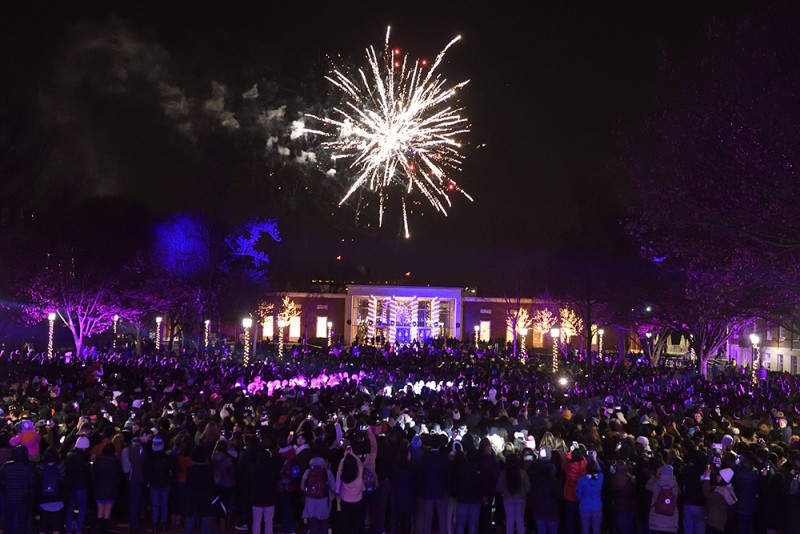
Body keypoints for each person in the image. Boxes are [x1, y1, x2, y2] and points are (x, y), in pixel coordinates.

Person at [0, 445, 39, 534]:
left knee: (8, 522)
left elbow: (1, 481)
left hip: (9, 498)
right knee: (23, 522)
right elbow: (34, 484)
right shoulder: (29, 468)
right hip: (24, 499)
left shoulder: (6, 467)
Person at [418, 433, 452, 534]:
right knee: (442, 518)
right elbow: (447, 476)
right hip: (441, 492)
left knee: (427, 518)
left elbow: (421, 476)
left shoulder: (425, 458)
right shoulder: (444, 458)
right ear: (440, 444)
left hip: (427, 491)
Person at [91, 443, 123, 534]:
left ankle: (99, 530)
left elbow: (93, 475)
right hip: (111, 489)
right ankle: (104, 531)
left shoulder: (98, 460)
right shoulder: (115, 461)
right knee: (107, 513)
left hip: (99, 488)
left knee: (100, 512)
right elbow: (118, 477)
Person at [496, 453, 530, 534]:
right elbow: (528, 488)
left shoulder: (504, 473)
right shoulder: (523, 472)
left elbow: (499, 487)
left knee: (509, 520)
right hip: (521, 498)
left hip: (508, 499)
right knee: (520, 520)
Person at [301, 456, 335, 534]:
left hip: (310, 501)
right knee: (324, 522)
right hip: (323, 501)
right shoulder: (327, 472)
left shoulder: (308, 472)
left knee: (313, 522)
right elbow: (333, 487)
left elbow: (302, 487)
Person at [186, 446, 216, 534]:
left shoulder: (190, 469)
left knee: (190, 519)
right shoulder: (209, 469)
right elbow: (212, 483)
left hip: (192, 496)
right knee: (206, 519)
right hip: (206, 496)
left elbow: (188, 482)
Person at [147, 437, 175, 533]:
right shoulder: (167, 458)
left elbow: (147, 472)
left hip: (154, 483)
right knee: (164, 504)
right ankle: (163, 523)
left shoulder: (150, 459)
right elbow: (171, 470)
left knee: (155, 505)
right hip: (166, 483)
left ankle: (154, 524)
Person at [250, 448, 282, 534]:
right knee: (268, 521)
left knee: (256, 521)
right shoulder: (273, 468)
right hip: (270, 497)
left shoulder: (254, 468)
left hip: (257, 497)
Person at [64, 436, 91, 534]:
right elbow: (85, 472)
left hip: (71, 486)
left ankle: (68, 530)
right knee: (81, 509)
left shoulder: (68, 455)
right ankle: (79, 530)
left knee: (70, 509)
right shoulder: (83, 457)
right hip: (81, 486)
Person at [337, 446, 365, 534]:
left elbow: (339, 470)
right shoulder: (359, 473)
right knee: (358, 524)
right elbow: (360, 464)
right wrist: (352, 454)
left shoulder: (342, 474)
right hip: (358, 501)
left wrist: (345, 457)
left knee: (345, 524)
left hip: (345, 500)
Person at [38, 446, 66, 534]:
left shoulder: (41, 466)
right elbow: (64, 480)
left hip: (44, 499)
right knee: (56, 525)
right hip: (57, 499)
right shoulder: (61, 465)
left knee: (42, 525)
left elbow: (39, 480)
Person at [645, 464, 680, 534]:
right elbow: (679, 493)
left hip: (656, 521)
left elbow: (647, 486)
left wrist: (655, 476)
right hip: (671, 522)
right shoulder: (674, 485)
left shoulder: (657, 483)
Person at [701, 467, 737, 534]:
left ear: (724, 479)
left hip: (714, 523)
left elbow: (706, 493)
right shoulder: (728, 490)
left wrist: (707, 477)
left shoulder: (721, 492)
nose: (717, 476)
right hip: (720, 523)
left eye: (719, 476)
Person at [607, 460, 636, 534]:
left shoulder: (613, 480)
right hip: (629, 508)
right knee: (627, 529)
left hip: (618, 508)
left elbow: (610, 494)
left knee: (617, 529)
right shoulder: (631, 479)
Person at [575, 458, 603, 534]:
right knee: (596, 530)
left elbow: (578, 494)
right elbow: (599, 470)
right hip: (597, 506)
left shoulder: (582, 480)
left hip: (584, 507)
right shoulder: (601, 478)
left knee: (585, 529)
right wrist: (595, 459)